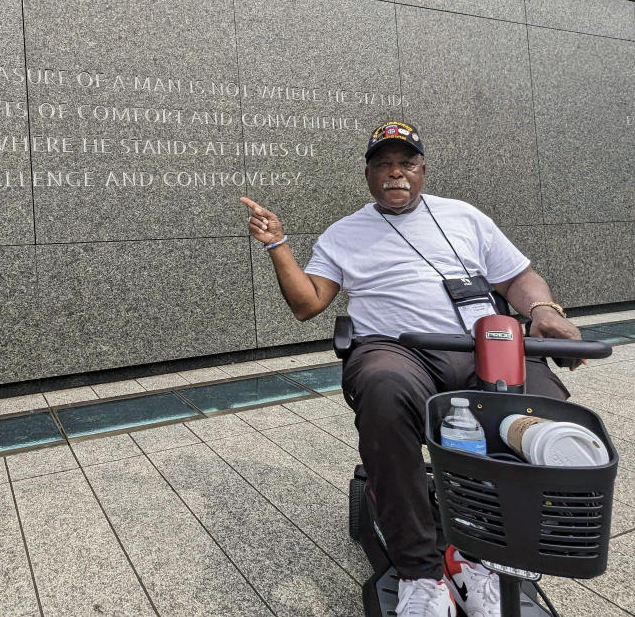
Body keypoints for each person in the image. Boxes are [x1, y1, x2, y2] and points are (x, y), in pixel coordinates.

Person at [240, 121, 583, 617]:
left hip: (479, 344)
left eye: (406, 164)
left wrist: (545, 311)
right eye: (383, 164)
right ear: (368, 174)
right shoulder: (345, 232)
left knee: (538, 403)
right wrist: (278, 244)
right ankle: (421, 574)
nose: (395, 174)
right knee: (383, 390)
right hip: (398, 350)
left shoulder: (464, 217)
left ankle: (482, 558)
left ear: (422, 170)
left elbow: (518, 278)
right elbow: (307, 303)